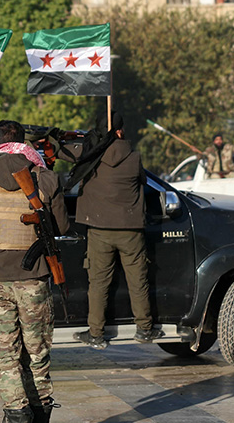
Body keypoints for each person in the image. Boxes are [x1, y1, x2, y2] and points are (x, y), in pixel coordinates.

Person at [0, 120, 68, 423]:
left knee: (6, 356)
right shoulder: (45, 178)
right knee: (37, 352)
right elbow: (62, 227)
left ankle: (17, 413)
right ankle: (40, 412)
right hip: (33, 279)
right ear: (24, 144)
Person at [63, 112, 161, 349]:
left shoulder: (89, 157)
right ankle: (144, 329)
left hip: (99, 230)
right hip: (131, 231)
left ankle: (96, 334)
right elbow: (143, 182)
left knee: (98, 284)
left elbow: (63, 152)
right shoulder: (134, 157)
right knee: (138, 281)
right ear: (119, 131)